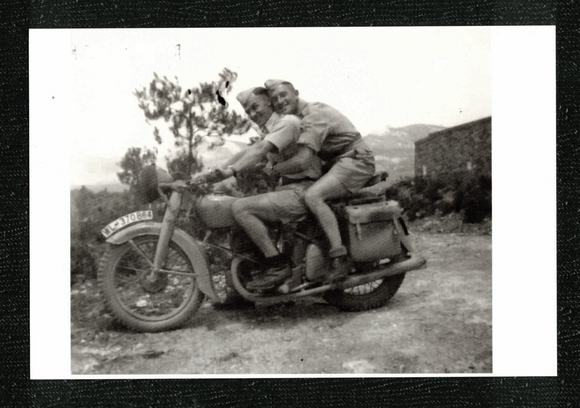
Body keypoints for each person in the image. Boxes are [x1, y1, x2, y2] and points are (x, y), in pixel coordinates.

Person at [263, 79, 376, 282]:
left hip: (355, 160)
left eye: (283, 95)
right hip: (338, 162)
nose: (279, 101)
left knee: (314, 196)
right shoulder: (297, 117)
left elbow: (303, 160)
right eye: (274, 99)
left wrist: (273, 170)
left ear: (296, 93)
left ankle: (339, 257)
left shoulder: (314, 115)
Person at [213, 86, 322, 290]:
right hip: (290, 190)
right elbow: (249, 151)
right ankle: (245, 283)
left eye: (256, 107)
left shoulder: (287, 123)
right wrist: (217, 173)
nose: (253, 114)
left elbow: (260, 150)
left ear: (270, 103)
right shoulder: (271, 128)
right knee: (237, 214)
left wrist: (231, 171)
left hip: (303, 190)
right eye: (248, 112)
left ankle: (277, 266)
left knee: (241, 208)